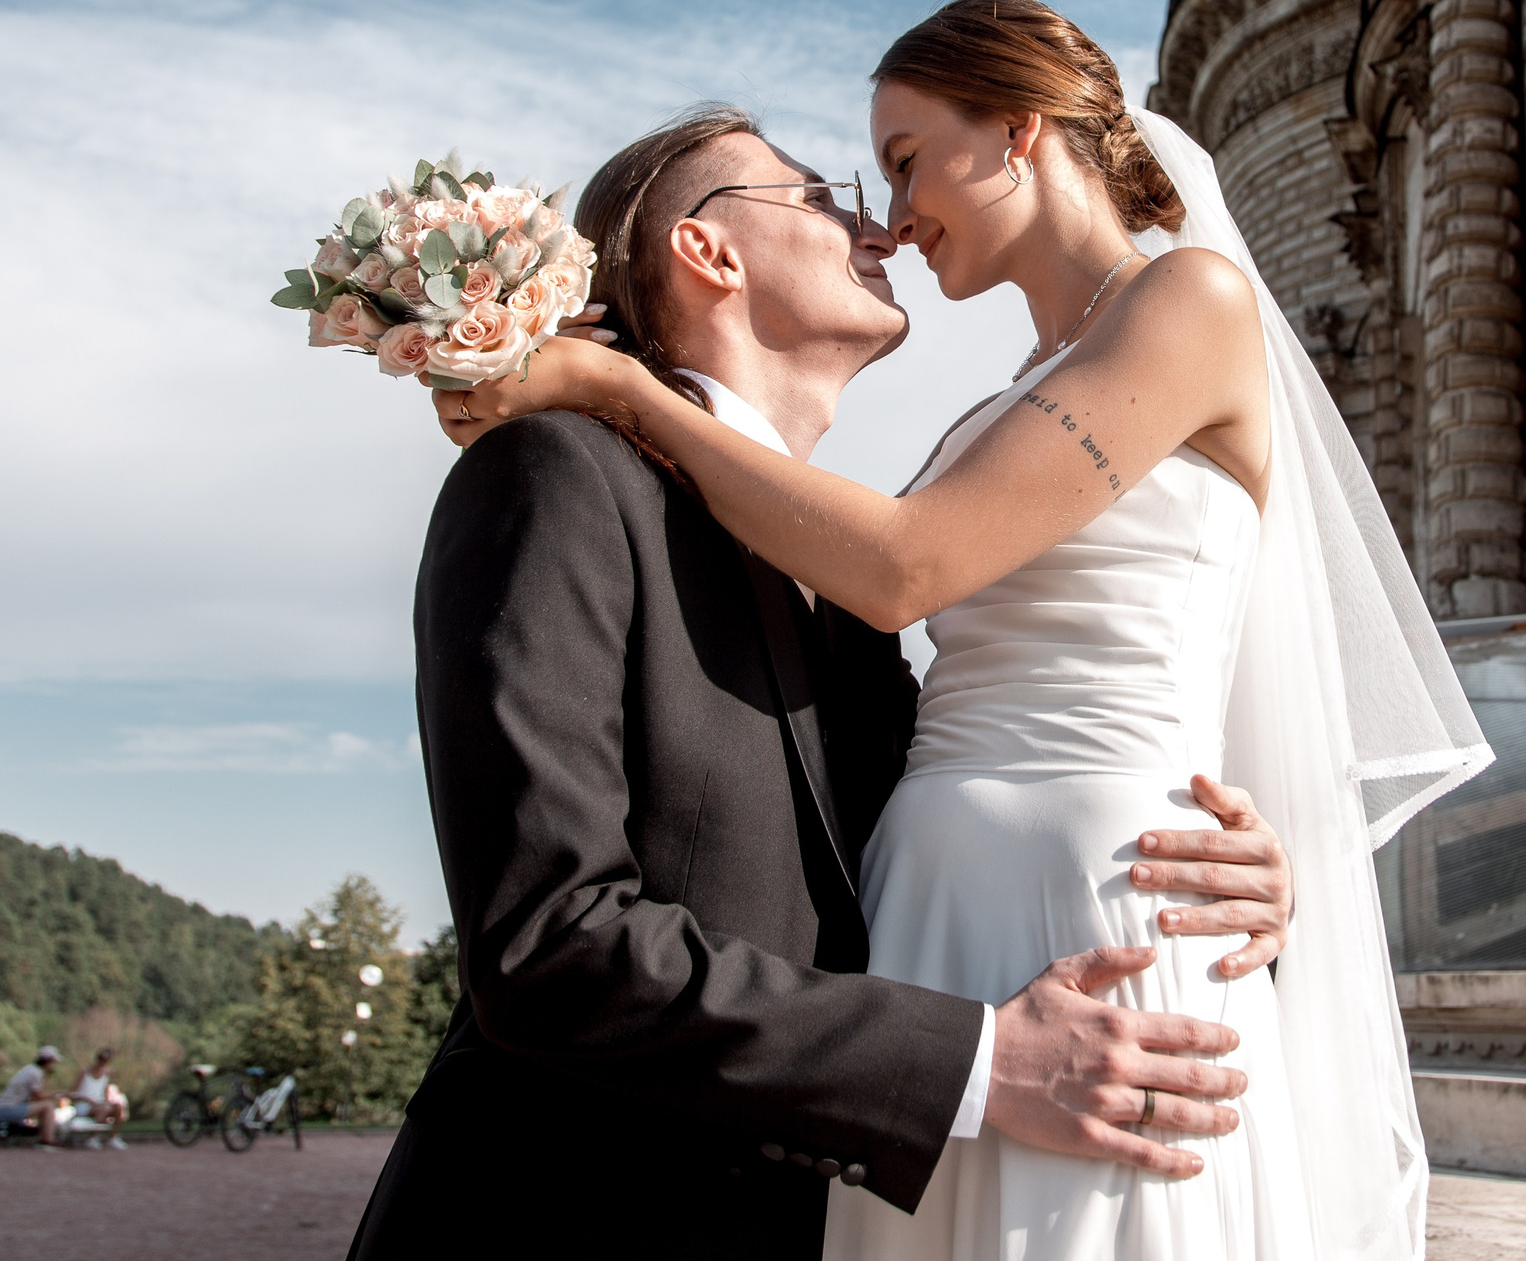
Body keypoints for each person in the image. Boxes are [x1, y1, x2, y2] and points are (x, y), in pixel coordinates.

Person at [441, 0, 1490, 1260]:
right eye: (848, 186)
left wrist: (1272, 855)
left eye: (899, 160)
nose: (885, 216)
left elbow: (910, 568)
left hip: (1087, 892)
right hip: (933, 941)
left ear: (1014, 131)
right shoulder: (981, 421)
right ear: (705, 254)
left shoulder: (1189, 300)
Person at [347, 105, 1303, 1260]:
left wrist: (1227, 862)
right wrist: (980, 1059)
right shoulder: (556, 475)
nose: (879, 222)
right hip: (578, 1217)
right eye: (822, 193)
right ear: (709, 250)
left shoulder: (840, 593)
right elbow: (551, 944)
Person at [0, 1046, 62, 1147]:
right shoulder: (35, 1073)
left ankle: (43, 1137)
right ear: (48, 1061)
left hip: (3, 1108)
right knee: (48, 1106)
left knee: (44, 1106)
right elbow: (38, 1095)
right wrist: (56, 1094)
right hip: (8, 1109)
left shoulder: (30, 1069)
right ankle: (47, 1139)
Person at [68, 1048, 127, 1150]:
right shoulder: (84, 1072)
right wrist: (88, 1100)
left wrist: (107, 1101)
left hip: (99, 1104)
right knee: (103, 1109)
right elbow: (73, 1093)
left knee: (117, 1107)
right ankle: (93, 1138)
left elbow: (104, 1092)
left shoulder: (106, 1074)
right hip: (84, 1105)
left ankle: (113, 1137)